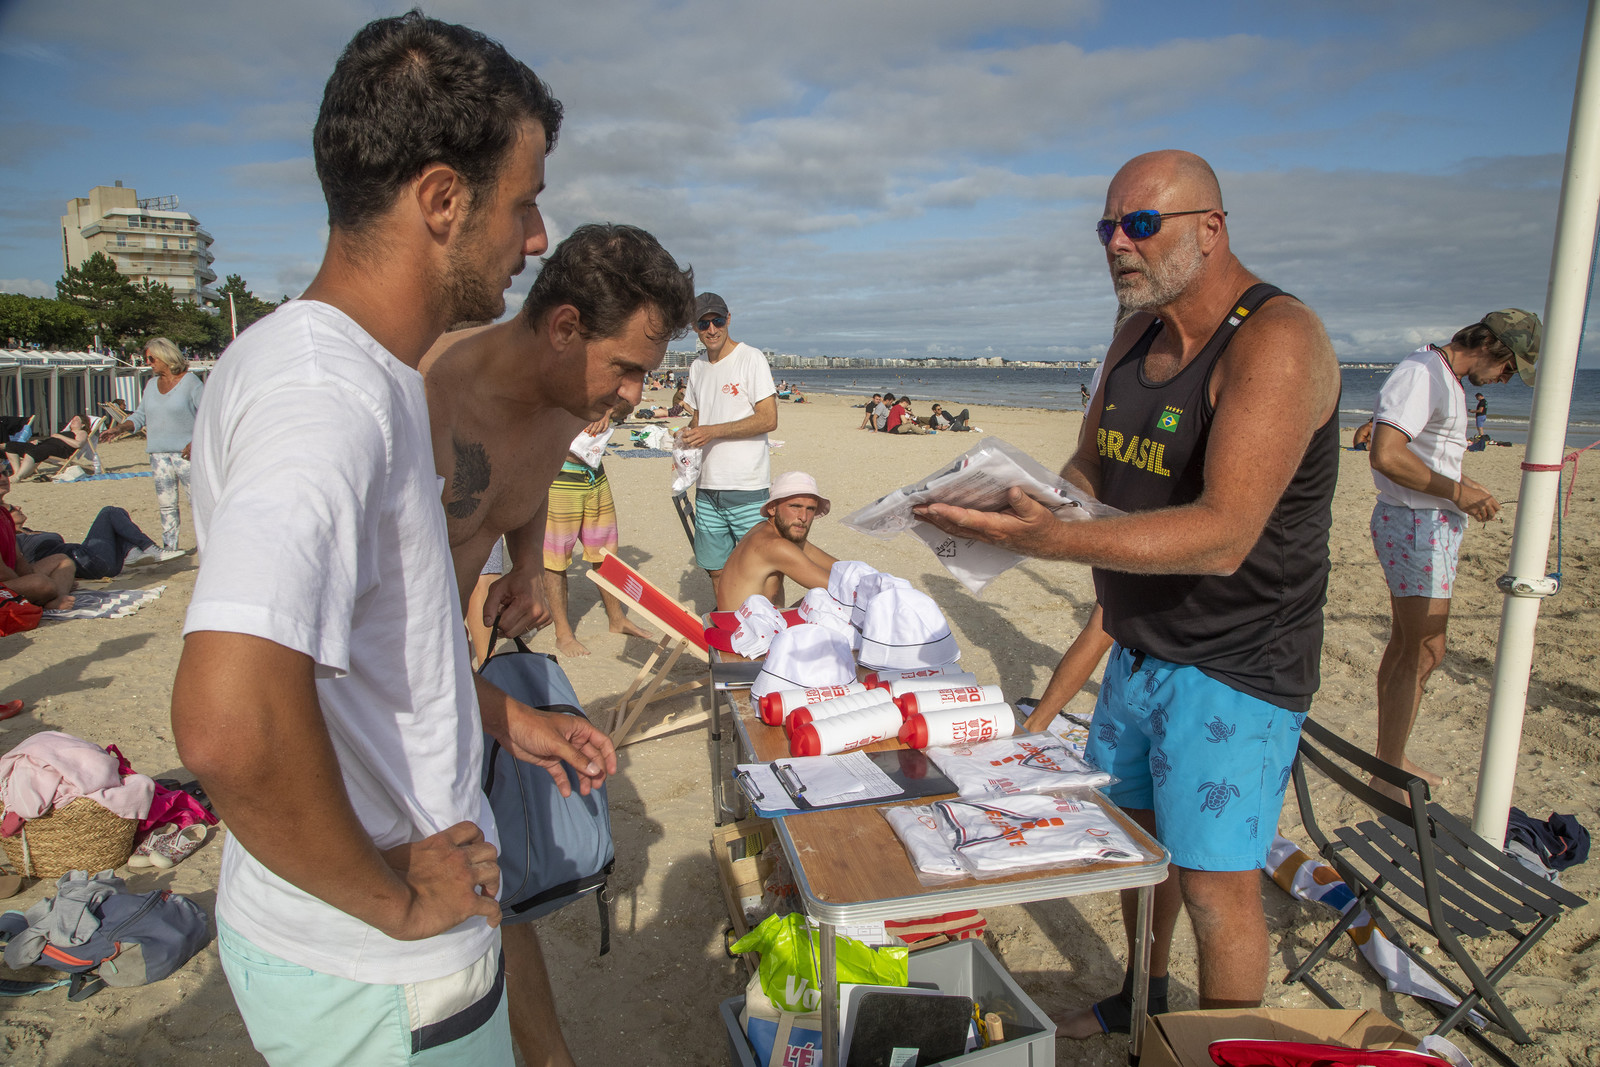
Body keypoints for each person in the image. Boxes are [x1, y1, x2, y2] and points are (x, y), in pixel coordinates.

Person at [169, 16, 611, 1065]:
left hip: (350, 951)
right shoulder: (327, 396)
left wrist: (496, 715)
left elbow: (354, 658)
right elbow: (226, 720)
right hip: (379, 974)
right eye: (524, 199)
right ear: (443, 199)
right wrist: (396, 900)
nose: (537, 236)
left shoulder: (313, 363)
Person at [916, 149, 1341, 1038]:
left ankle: (1224, 1049)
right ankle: (1138, 1000)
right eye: (1107, 225)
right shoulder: (1135, 332)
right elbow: (1090, 466)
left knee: (1215, 885)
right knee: (1137, 853)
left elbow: (1225, 534)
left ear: (1210, 229)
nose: (1117, 242)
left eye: (1141, 224)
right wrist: (1013, 501)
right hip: (1138, 643)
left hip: (1236, 664)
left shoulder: (1276, 339)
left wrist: (1052, 539)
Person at [422, 222, 694, 1065]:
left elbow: (530, 481)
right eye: (628, 368)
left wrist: (522, 565)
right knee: (459, 906)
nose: (634, 395)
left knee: (492, 882)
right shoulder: (429, 397)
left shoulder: (559, 409)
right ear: (566, 327)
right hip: (396, 713)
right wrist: (504, 714)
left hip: (451, 684)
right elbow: (368, 647)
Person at [1368, 311, 1539, 800]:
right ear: (1492, 346)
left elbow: (1422, 453)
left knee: (1411, 645)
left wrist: (1462, 486)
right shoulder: (1423, 374)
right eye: (1510, 368)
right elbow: (1387, 454)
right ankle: (1386, 772)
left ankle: (1390, 759)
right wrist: (1458, 492)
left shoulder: (1441, 375)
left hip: (1424, 523)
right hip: (1416, 525)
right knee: (1424, 648)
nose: (1506, 379)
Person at [680, 293, 778, 596]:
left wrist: (713, 431)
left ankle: (769, 623)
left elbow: (768, 419)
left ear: (728, 319)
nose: (712, 329)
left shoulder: (751, 358)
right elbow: (699, 419)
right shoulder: (697, 367)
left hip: (747, 487)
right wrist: (686, 437)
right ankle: (728, 620)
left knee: (763, 570)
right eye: (703, 323)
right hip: (707, 488)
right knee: (716, 569)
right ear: (694, 327)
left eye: (717, 321)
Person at [542, 417, 653, 658]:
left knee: (605, 553)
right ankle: (563, 633)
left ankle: (617, 618)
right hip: (560, 474)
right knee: (555, 559)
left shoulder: (604, 397)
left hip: (594, 472)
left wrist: (608, 408)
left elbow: (628, 404)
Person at [100, 338, 202, 550]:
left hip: (187, 454)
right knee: (166, 505)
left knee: (198, 503)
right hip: (158, 455)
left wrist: (196, 441)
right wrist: (119, 428)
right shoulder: (151, 385)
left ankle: (208, 545)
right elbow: (140, 416)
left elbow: (208, 414)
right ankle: (170, 548)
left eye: (151, 358)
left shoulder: (191, 382)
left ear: (166, 356)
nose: (148, 363)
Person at [715, 471, 839, 610]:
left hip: (756, 620)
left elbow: (839, 567)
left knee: (822, 598)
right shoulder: (774, 545)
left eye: (810, 509)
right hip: (746, 624)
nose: (803, 517)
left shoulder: (769, 529)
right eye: (795, 506)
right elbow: (839, 588)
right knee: (831, 599)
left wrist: (857, 573)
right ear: (772, 508)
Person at [12, 502, 183, 579]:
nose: (18, 507)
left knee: (114, 520)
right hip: (88, 562)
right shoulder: (16, 540)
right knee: (109, 512)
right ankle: (148, 547)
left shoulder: (27, 532)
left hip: (88, 559)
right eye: (12, 509)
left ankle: (131, 552)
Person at [0, 459, 75, 609]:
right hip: (3, 579)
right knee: (42, 584)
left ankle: (57, 599)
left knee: (62, 561)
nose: (3, 478)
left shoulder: (5, 513)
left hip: (9, 578)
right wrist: (30, 581)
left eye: (5, 473)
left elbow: (18, 558)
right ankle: (50, 598)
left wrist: (28, 578)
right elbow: (2, 572)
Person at [3, 414, 89, 481]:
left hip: (59, 450)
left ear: (83, 425)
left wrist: (59, 436)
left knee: (35, 451)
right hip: (44, 446)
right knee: (11, 446)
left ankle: (18, 477)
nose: (73, 421)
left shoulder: (81, 432)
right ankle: (17, 473)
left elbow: (78, 444)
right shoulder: (64, 432)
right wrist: (39, 441)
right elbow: (51, 441)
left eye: (76, 420)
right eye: (72, 419)